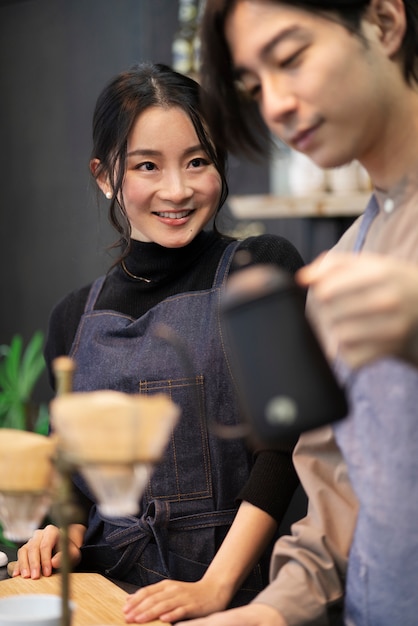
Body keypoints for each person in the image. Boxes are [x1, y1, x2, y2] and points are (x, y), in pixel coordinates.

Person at [13, 62, 305, 624]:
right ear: (105, 176)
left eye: (198, 161)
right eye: (148, 165)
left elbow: (283, 449)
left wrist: (216, 586)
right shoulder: (72, 316)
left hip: (233, 595)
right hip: (103, 593)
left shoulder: (260, 268)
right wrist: (63, 532)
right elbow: (76, 474)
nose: (178, 188)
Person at [176, 1, 418, 625]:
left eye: (291, 58)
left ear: (384, 23)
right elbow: (338, 503)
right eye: (256, 85)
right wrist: (266, 613)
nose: (277, 104)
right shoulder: (343, 260)